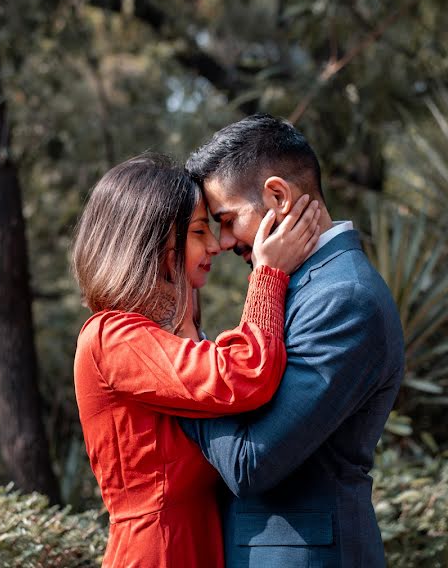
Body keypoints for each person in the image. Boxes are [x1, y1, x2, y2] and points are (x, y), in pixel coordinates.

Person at [71, 152, 321, 568]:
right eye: (199, 231)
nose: (215, 245)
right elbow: (244, 375)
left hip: (200, 541)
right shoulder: (111, 337)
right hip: (160, 552)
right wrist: (268, 274)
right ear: (151, 242)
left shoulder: (163, 334)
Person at [180, 114, 405, 568]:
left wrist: (182, 362)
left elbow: (250, 463)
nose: (222, 243)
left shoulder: (345, 298)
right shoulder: (296, 285)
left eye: (226, 220)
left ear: (278, 196)